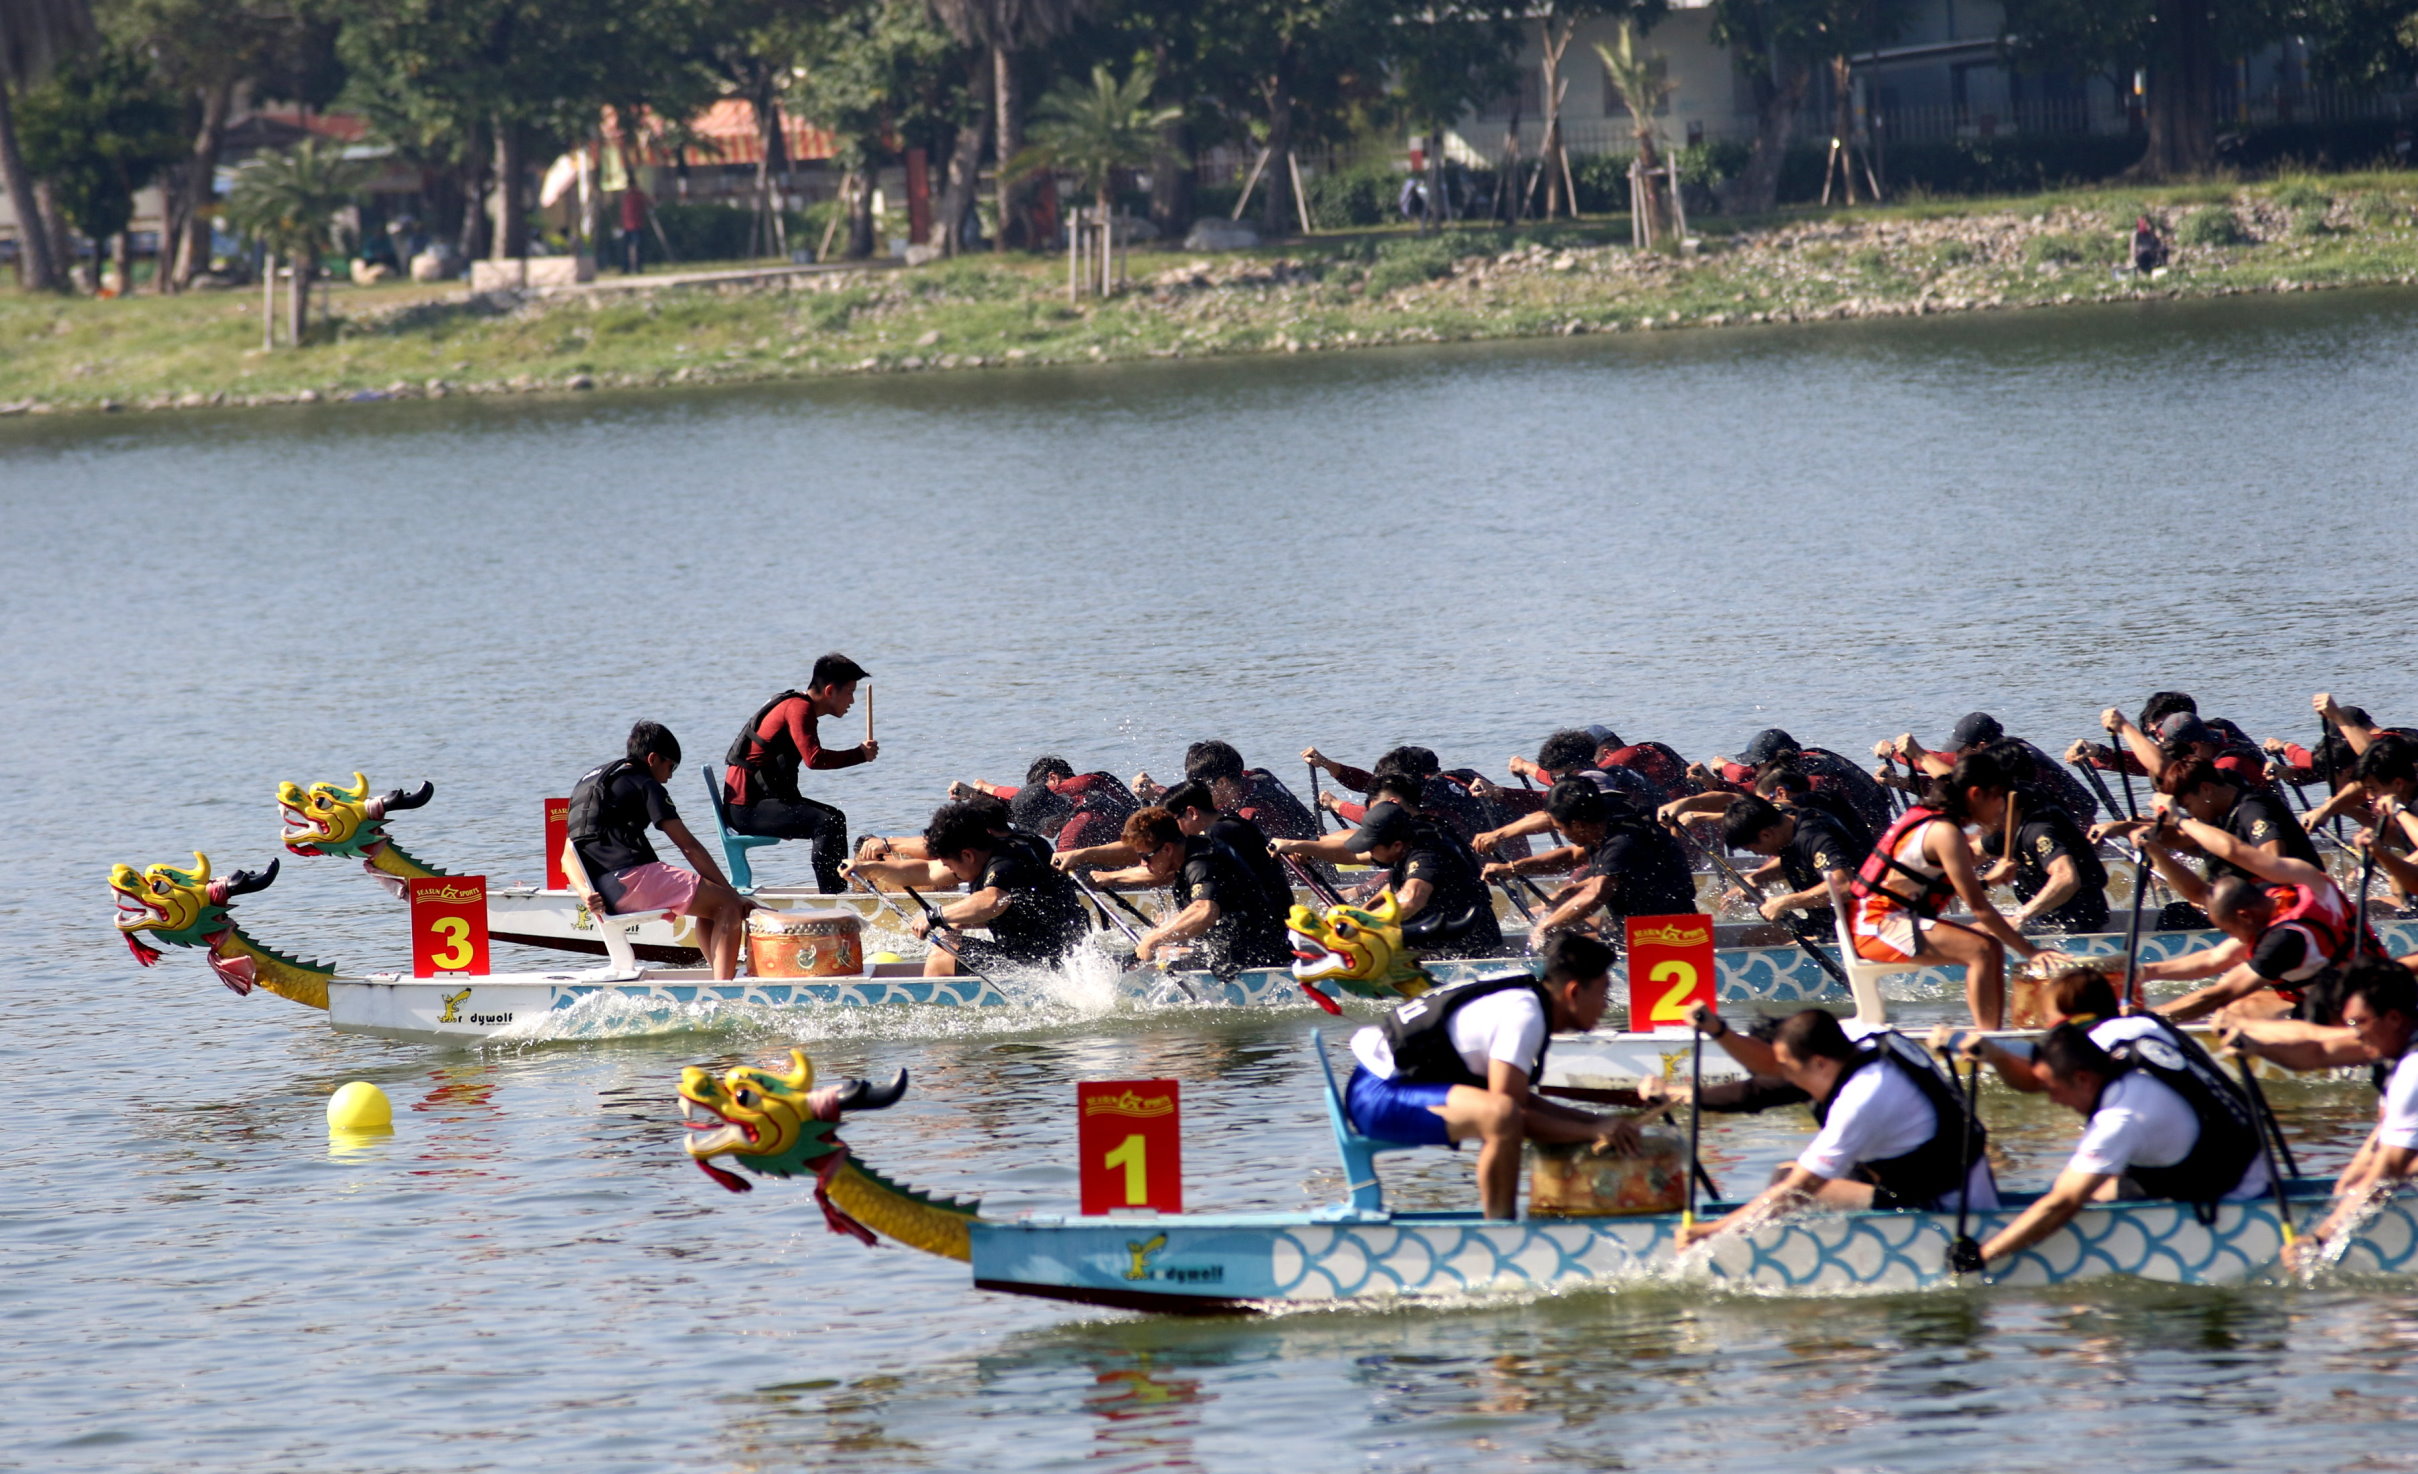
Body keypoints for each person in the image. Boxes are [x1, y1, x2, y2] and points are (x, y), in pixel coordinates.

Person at [1343, 933, 1641, 1219]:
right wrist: (1592, 1131)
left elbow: (1520, 1102)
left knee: (1503, 1111)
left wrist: (1599, 1123)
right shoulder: (1525, 1016)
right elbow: (1514, 1114)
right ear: (1573, 992)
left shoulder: (1525, 996)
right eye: (1603, 993)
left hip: (1386, 1087)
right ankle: (1500, 1227)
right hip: (1376, 1097)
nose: (1606, 1005)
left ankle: (1502, 1219)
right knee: (1501, 1116)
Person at [1676, 1008, 1995, 1248]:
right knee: (1793, 1179)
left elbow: (1798, 1189)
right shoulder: (1859, 1036)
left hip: (1946, 1213)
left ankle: (1805, 1260)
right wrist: (1718, 1031)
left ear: (1819, 1063)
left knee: (1788, 1183)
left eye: (1789, 1070)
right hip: (1957, 1179)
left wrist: (1713, 1231)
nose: (1785, 1078)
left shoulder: (1860, 1100)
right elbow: (1773, 1065)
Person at [1974, 1019, 2270, 1269]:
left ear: (2082, 1078)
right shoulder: (2122, 1035)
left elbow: (2062, 1203)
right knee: (2091, 1188)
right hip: (2239, 1150)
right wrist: (1994, 1053)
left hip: (2230, 1194)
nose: (2052, 1100)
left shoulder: (2118, 1121)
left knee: (2069, 1197)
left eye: (2053, 1089)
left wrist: (1985, 1255)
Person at [2104, 806, 2377, 1023]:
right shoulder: (2305, 884)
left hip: (2359, 1011)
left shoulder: (2285, 940)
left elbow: (2218, 994)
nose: (2232, 938)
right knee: (2243, 1006)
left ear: (2245, 915)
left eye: (2228, 930)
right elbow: (2214, 957)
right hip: (2352, 988)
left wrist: (2144, 1020)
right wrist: (2144, 972)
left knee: (2231, 1014)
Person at [1847, 749, 2057, 1029]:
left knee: (1988, 944)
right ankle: (1988, 1040)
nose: (2002, 808)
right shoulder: (1944, 832)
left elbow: (1936, 884)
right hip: (1876, 926)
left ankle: (1989, 1032)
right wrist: (2031, 952)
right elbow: (1979, 907)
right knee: (1983, 949)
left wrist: (1989, 881)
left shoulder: (1933, 817)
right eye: (1998, 798)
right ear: (1976, 794)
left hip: (1882, 920)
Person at [568, 721, 753, 981]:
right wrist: (732, 895)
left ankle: (720, 975)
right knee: (727, 905)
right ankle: (725, 990)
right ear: (653, 758)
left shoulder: (591, 784)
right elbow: (688, 846)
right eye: (671, 766)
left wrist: (586, 892)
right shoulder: (645, 783)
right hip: (633, 880)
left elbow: (567, 854)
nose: (670, 776)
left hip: (603, 891)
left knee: (712, 904)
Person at [1275, 797, 1506, 959]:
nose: (1367, 853)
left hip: (1463, 949)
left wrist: (1359, 926)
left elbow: (1410, 900)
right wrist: (1298, 846)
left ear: (1396, 845)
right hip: (1437, 939)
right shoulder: (1408, 835)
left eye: (1372, 848)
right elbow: (1350, 854)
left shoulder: (1427, 853)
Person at [721, 653, 877, 892]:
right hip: (745, 809)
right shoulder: (799, 708)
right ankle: (834, 895)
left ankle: (838, 890)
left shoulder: (797, 706)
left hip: (753, 803)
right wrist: (859, 754)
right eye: (849, 692)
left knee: (835, 818)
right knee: (828, 823)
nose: (852, 700)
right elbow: (814, 759)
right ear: (829, 691)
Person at [1487, 780, 1696, 939]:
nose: (1561, 833)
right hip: (1647, 925)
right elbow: (1572, 857)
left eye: (1559, 828)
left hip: (1669, 936)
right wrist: (1512, 868)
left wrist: (1546, 927)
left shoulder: (1622, 842)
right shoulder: (1602, 819)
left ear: (1577, 825)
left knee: (1559, 938)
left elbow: (1597, 893)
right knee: (1565, 927)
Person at [1091, 807, 1290, 972]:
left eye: (1145, 857)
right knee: (1138, 958)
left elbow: (1204, 912)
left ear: (1167, 849)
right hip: (1244, 947)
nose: (1143, 864)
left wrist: (1153, 938)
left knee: (1141, 968)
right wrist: (1109, 877)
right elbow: (1160, 878)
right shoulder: (1192, 849)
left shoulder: (1201, 863)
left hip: (1254, 958)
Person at [907, 801, 1091, 977]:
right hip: (1065, 954)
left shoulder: (1003, 863)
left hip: (1047, 966)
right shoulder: (1019, 846)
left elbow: (993, 900)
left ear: (968, 855)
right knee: (951, 937)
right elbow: (1014, 910)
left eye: (949, 866)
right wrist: (955, 919)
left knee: (942, 954)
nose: (952, 872)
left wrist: (935, 916)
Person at [2305, 965, 2418, 1250]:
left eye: (2358, 1023)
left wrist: (2321, 1236)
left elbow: (2389, 1169)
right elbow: (2384, 1136)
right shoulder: (2403, 1059)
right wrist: (2349, 1183)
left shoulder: (2413, 1069)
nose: (2354, 1035)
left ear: (2394, 1018)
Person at [1881, 712, 2100, 824]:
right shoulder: (2003, 751)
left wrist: (1897, 752)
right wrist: (1901, 782)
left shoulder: (2009, 759)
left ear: (1982, 746)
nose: (1959, 756)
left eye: (1962, 750)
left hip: (2073, 828)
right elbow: (1958, 786)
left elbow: (1954, 779)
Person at [1977, 777, 2110, 935]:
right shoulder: (2002, 829)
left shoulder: (2038, 831)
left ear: (1998, 805)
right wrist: (1984, 881)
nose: (1973, 820)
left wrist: (2019, 918)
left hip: (2076, 924)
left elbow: (2066, 879)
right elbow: (1972, 853)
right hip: (2042, 919)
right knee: (1975, 930)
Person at [1718, 793, 1853, 935]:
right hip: (1823, 922)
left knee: (1757, 939)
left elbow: (1843, 886)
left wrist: (1784, 902)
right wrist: (1755, 879)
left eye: (1752, 850)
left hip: (1851, 928)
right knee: (1752, 937)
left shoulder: (1815, 837)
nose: (1758, 854)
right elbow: (1802, 856)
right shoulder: (1781, 816)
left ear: (1766, 835)